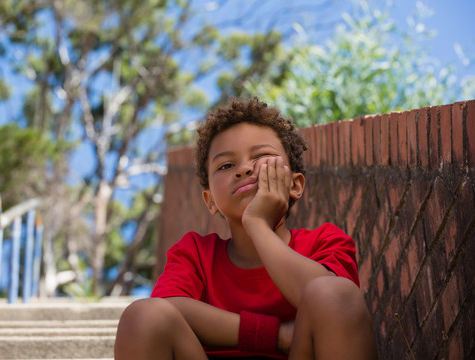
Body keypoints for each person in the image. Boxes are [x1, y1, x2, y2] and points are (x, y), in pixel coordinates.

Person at [114, 97, 378, 360]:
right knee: (142, 316)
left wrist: (257, 224)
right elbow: (166, 307)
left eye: (262, 156)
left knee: (333, 291)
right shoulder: (195, 253)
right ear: (210, 201)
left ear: (295, 184)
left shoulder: (326, 242)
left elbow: (335, 306)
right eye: (226, 165)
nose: (243, 169)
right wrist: (275, 336)